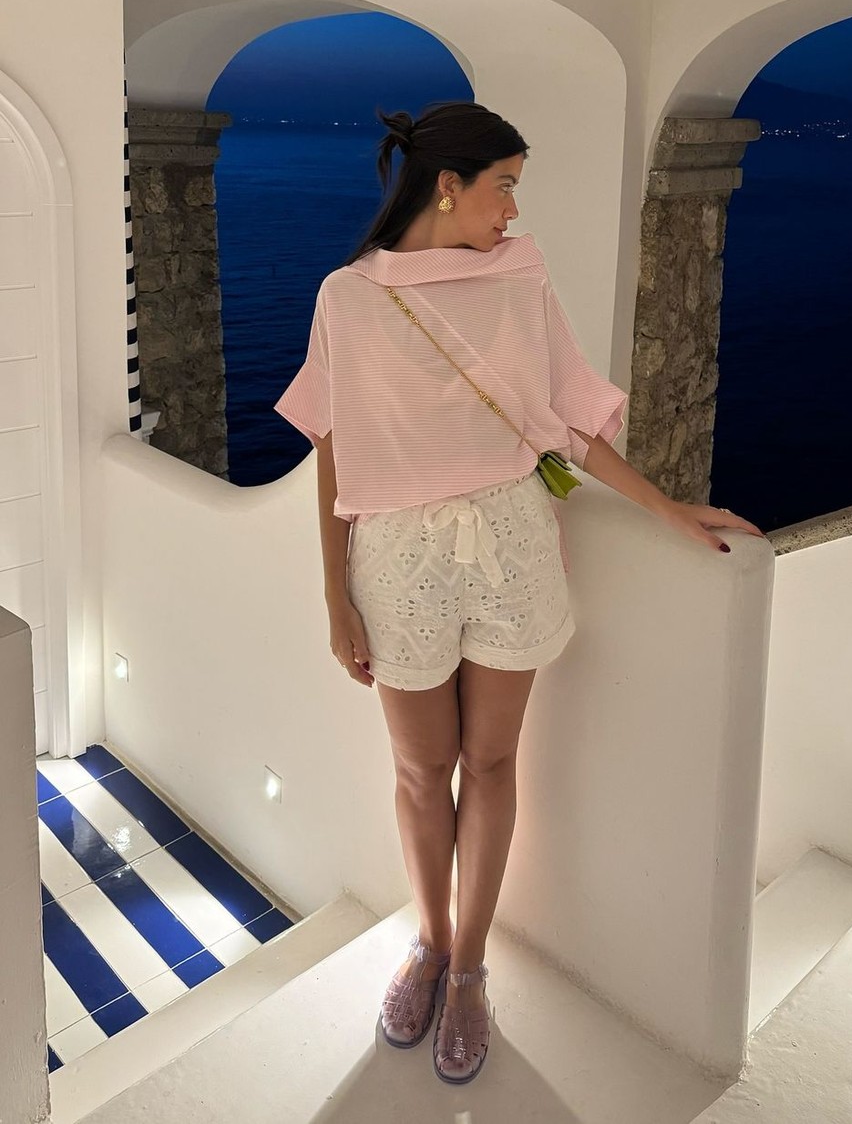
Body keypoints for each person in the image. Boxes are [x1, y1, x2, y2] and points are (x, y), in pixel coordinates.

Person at [273, 100, 766, 1085]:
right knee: (422, 773)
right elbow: (333, 449)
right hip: (397, 561)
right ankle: (428, 941)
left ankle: (468, 968)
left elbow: (567, 424)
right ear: (446, 185)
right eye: (503, 186)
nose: (511, 209)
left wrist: (666, 507)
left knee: (492, 763)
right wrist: (334, 595)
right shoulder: (348, 297)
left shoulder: (519, 278)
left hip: (512, 544)